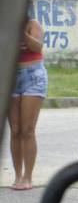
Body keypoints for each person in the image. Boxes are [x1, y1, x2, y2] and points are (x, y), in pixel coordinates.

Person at [11, 14, 46, 190]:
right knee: (15, 130)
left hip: (33, 76)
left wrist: (21, 32)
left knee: (27, 130)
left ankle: (28, 177)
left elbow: (37, 46)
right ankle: (17, 176)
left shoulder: (33, 24)